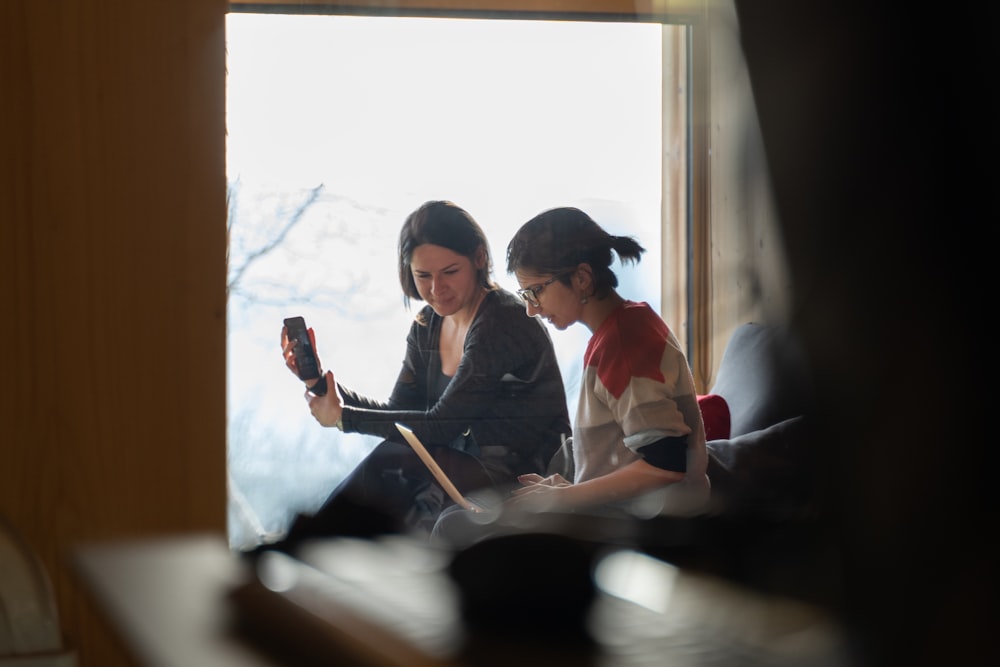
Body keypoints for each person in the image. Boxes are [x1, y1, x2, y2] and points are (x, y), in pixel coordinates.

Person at [263, 200, 571, 551]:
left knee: (397, 460)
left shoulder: (504, 321)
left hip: (525, 482)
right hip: (455, 475)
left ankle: (307, 548)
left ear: (480, 259)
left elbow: (440, 425)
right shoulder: (428, 325)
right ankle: (316, 553)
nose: (436, 289)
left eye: (450, 272)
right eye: (423, 276)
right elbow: (400, 413)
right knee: (397, 462)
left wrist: (344, 419)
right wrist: (319, 383)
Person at [432, 206, 711, 547]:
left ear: (581, 278)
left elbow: (667, 465)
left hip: (636, 531)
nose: (531, 309)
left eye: (535, 292)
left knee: (456, 527)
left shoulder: (624, 345)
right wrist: (568, 488)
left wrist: (566, 499)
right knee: (458, 516)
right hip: (612, 516)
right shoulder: (621, 329)